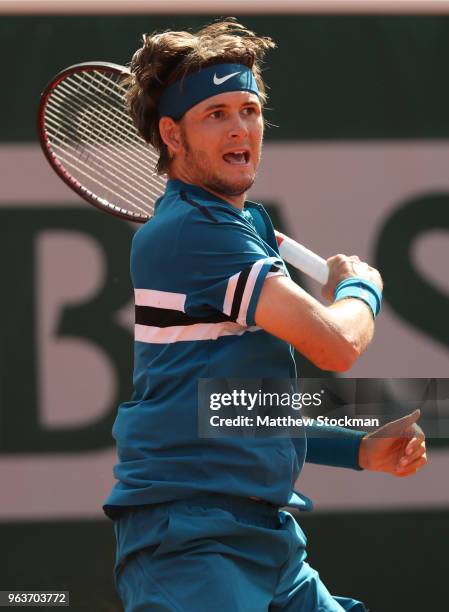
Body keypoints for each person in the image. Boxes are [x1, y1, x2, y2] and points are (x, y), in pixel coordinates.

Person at [104, 19, 427, 611]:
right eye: (216, 113)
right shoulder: (192, 233)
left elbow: (230, 405)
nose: (240, 128)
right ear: (171, 135)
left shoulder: (242, 227)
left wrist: (355, 449)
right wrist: (362, 290)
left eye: (249, 109)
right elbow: (335, 346)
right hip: (191, 547)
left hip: (268, 543)